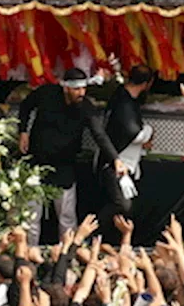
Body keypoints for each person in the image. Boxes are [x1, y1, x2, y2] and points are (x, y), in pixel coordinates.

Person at [18, 69, 123, 242]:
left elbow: (99, 135)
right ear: (66, 88)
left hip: (64, 165)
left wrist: (115, 159)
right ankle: (29, 254)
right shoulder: (46, 94)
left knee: (66, 216)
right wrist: (23, 131)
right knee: (31, 217)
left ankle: (67, 254)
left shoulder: (86, 107)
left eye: (83, 89)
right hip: (37, 161)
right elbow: (26, 106)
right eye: (77, 89)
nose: (81, 93)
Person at [102, 67, 154, 229]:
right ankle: (89, 233)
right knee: (122, 204)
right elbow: (134, 133)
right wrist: (149, 130)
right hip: (116, 162)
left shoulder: (127, 99)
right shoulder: (123, 102)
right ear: (146, 84)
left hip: (127, 162)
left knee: (127, 205)